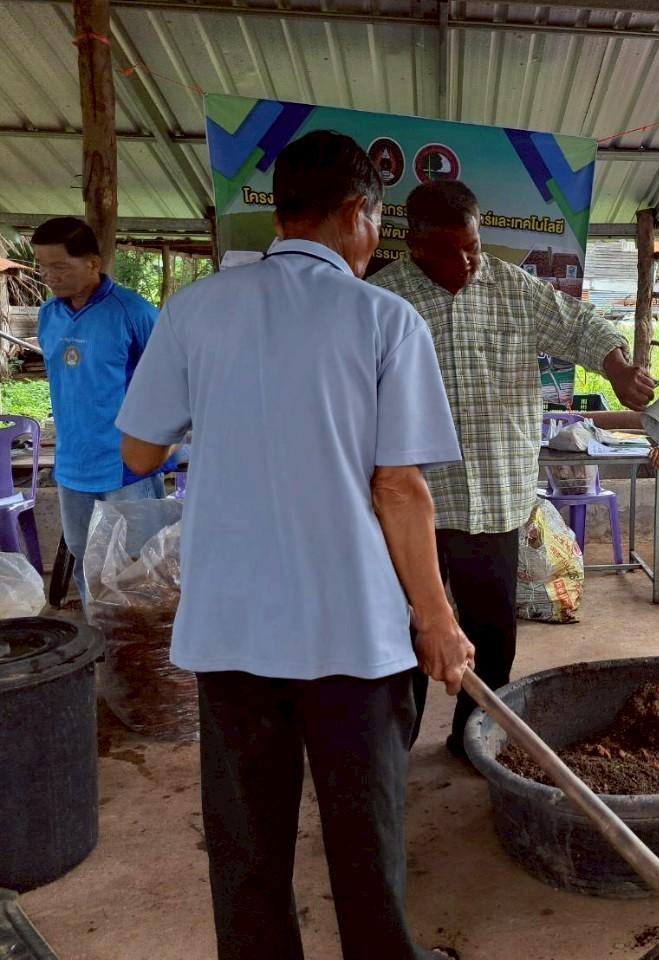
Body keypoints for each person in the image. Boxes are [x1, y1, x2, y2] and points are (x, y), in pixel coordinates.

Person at [115, 131, 473, 960]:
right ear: (355, 212)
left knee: (248, 844)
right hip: (351, 634)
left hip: (231, 628)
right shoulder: (385, 318)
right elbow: (399, 488)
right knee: (364, 839)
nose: (375, 238)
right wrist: (438, 620)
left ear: (281, 214)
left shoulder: (196, 309)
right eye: (376, 221)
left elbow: (137, 452)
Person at [369, 180, 655, 757]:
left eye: (474, 246)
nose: (468, 261)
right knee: (402, 635)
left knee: (493, 634)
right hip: (412, 504)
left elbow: (582, 326)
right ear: (416, 245)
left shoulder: (513, 288)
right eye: (451, 250)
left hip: (495, 497)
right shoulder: (382, 300)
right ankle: (393, 750)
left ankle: (474, 740)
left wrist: (619, 370)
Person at [32, 216, 165, 601]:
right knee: (84, 555)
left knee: (138, 562)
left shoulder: (134, 313)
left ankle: (141, 637)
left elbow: (169, 384)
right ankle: (98, 628)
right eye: (43, 267)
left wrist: (164, 447)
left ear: (93, 262)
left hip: (127, 464)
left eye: (60, 267)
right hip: (73, 461)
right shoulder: (48, 315)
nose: (49, 277)